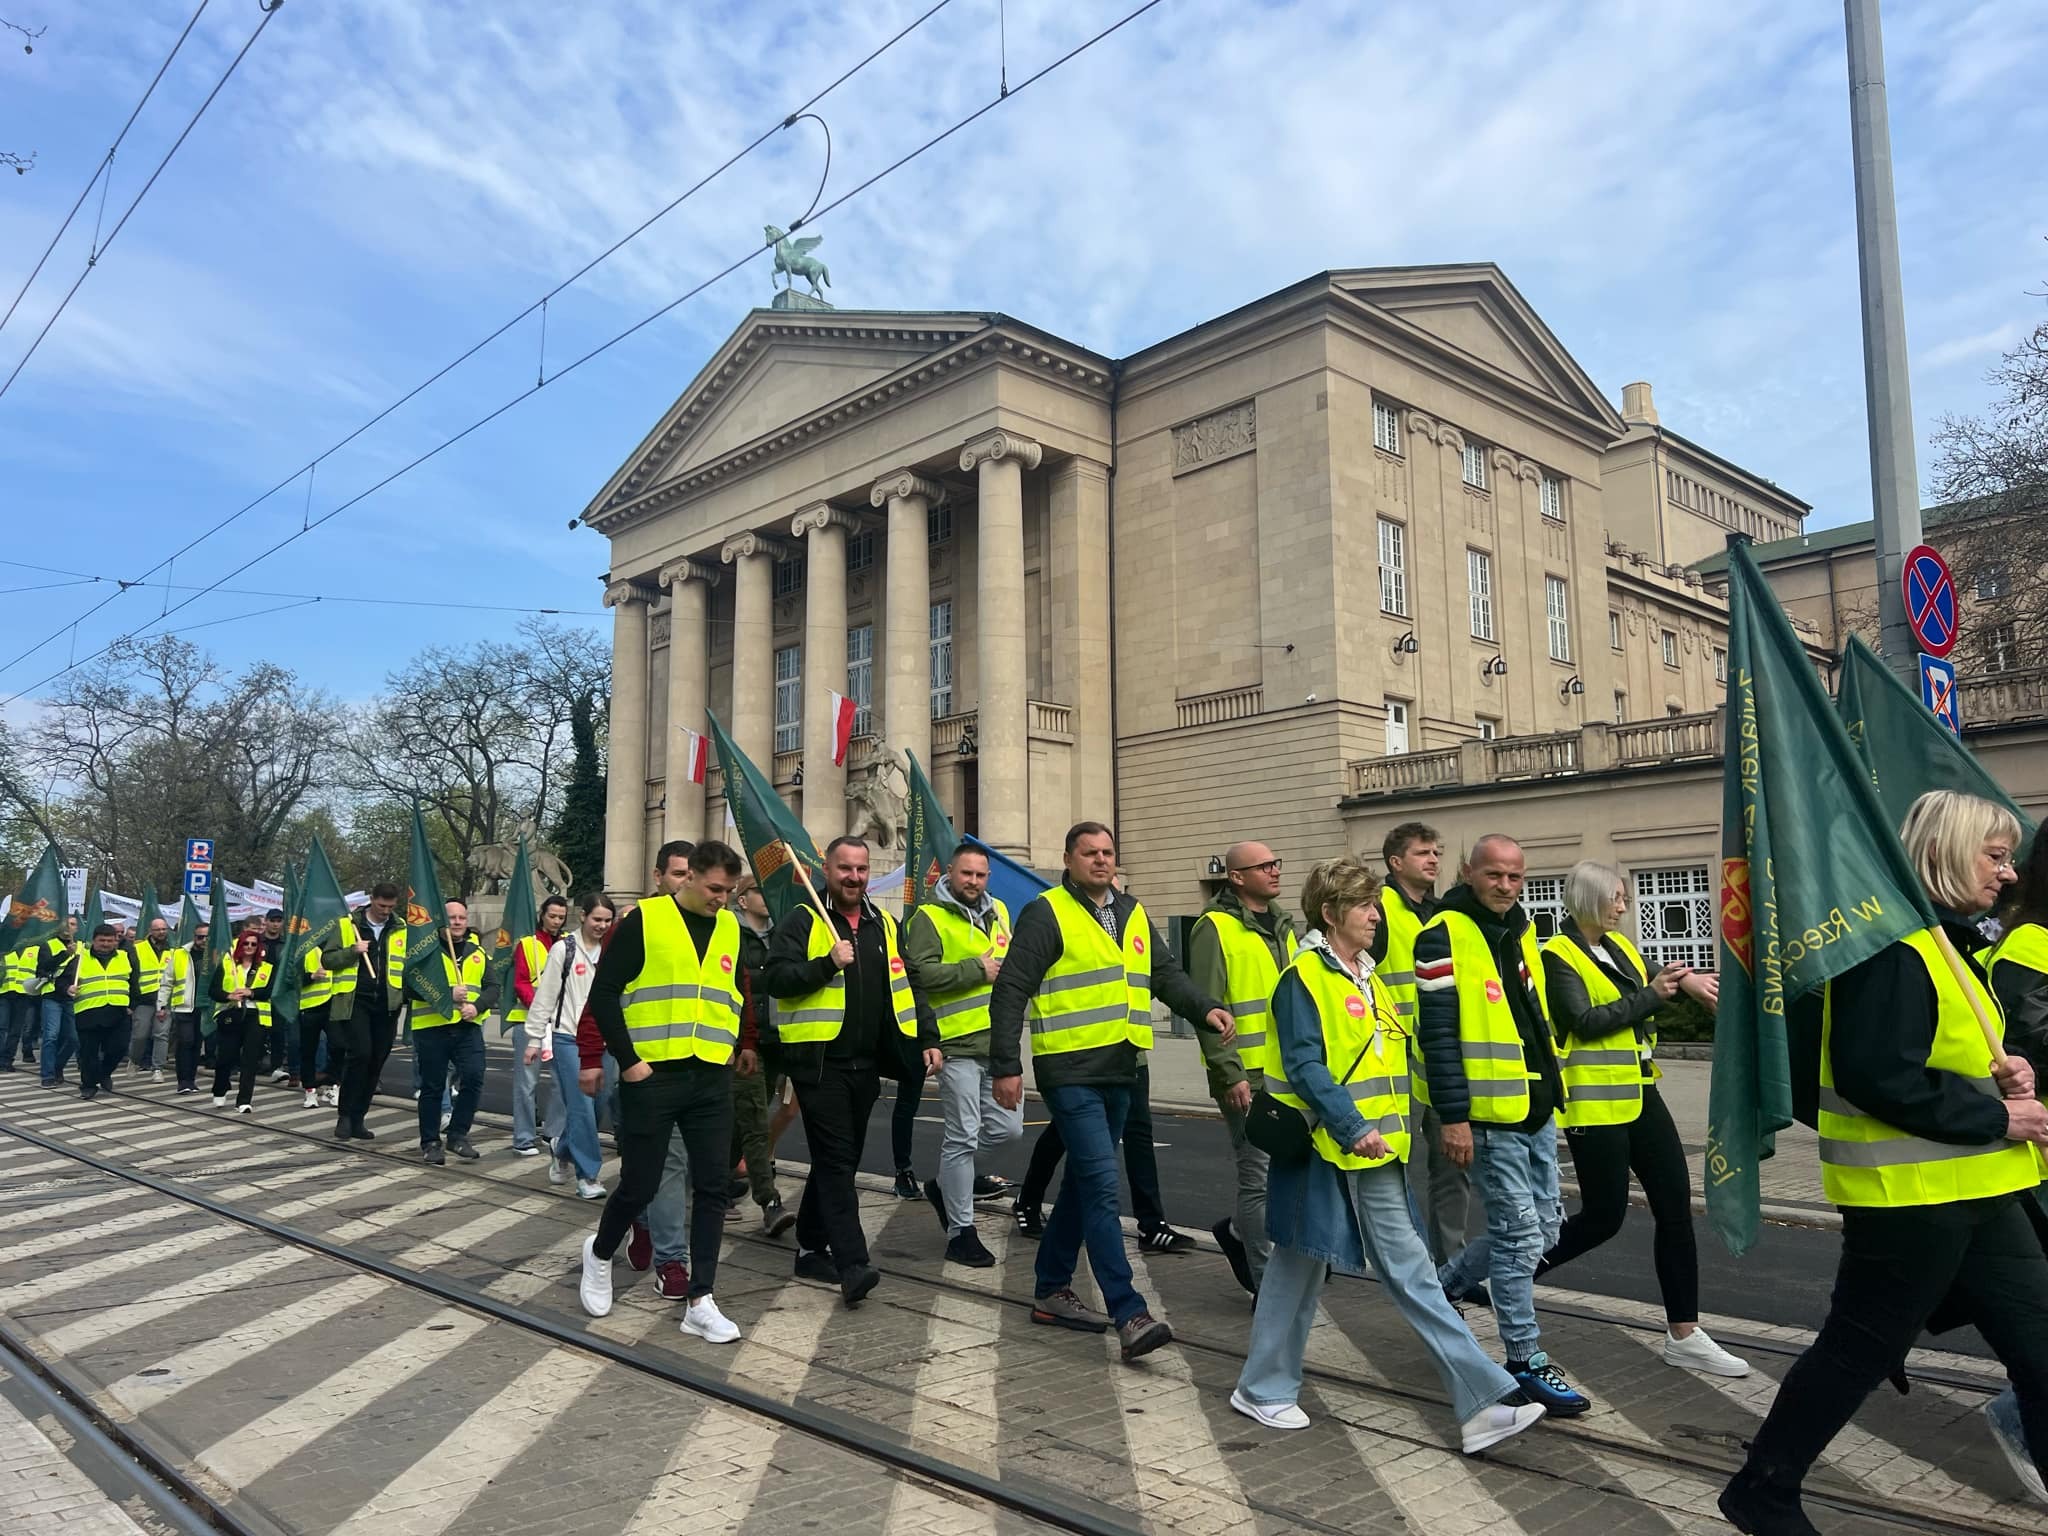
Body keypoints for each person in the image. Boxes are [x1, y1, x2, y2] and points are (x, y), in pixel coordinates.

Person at [1721, 791, 2048, 1535]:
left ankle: (1764, 1489)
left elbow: (1942, 1061)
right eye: (1995, 857)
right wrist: (2003, 1116)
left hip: (1981, 1188)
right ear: (1945, 851)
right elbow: (1879, 1075)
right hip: (1912, 1199)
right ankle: (1762, 1490)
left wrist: (2010, 1073)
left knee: (2041, 1352)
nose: (2008, 874)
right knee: (1856, 1352)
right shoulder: (1894, 948)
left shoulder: (1945, 945)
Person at [1231, 856, 1546, 1452]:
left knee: (1404, 1273)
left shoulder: (1367, 976)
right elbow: (1304, 1065)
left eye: (1375, 903)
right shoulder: (1304, 978)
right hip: (1325, 1148)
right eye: (1364, 905)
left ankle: (1481, 1402)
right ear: (1331, 913)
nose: (1376, 915)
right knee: (1301, 1268)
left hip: (1376, 1153)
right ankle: (1263, 1388)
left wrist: (1446, 1112)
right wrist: (1353, 1126)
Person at [990, 821, 1234, 1362]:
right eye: (1090, 853)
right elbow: (1011, 989)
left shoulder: (1131, 911)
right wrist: (1006, 1066)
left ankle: (1051, 1289)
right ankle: (1129, 1312)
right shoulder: (1047, 912)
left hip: (1123, 1069)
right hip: (1070, 1070)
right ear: (1068, 860)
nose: (1101, 860)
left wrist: (1205, 1008)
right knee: (1101, 1186)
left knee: (1083, 1185)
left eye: (1107, 852)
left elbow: (1166, 975)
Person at [1531, 860, 1748, 1376]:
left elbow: (1658, 972)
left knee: (1675, 1206)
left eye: (1627, 897)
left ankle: (1685, 1333)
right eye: (1617, 897)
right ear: (1590, 898)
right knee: (1603, 1219)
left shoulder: (1621, 947)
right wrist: (1653, 996)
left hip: (1643, 1095)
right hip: (1595, 1105)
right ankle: (1508, 1278)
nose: (1625, 906)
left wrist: (1690, 980)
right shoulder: (1557, 954)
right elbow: (1582, 1021)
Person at [1421, 834, 1590, 1416]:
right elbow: (1439, 1034)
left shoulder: (1520, 929)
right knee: (1518, 1239)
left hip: (1534, 1107)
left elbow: (1532, 1019)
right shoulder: (1442, 933)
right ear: (1469, 872)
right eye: (1494, 874)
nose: (1506, 885)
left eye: (1515, 876)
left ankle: (1439, 1291)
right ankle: (1523, 1358)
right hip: (1488, 1115)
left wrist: (1555, 1091)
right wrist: (1454, 1117)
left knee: (1544, 1232)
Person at [577, 841, 748, 1345]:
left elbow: (734, 993)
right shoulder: (644, 921)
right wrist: (628, 1061)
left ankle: (701, 1299)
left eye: (728, 891)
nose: (721, 898)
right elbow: (604, 993)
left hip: (710, 1075)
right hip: (653, 1075)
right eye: (714, 888)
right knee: (641, 1184)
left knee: (713, 1187)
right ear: (688, 876)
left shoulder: (730, 927)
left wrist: (735, 1045)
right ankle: (600, 1253)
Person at [760, 836, 934, 1306]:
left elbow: (909, 981)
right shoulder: (804, 919)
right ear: (828, 871)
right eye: (845, 869)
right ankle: (853, 1263)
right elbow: (775, 979)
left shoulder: (884, 924)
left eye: (861, 869)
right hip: (819, 1066)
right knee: (838, 1161)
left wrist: (928, 1037)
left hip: (867, 1064)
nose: (854, 877)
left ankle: (810, 1248)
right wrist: (826, 964)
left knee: (839, 1159)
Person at [1187, 839, 1296, 1296]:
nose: (1274, 870)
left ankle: (1239, 1234)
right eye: (1263, 865)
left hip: (1289, 1073)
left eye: (1275, 863)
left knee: (1290, 1174)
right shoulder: (1214, 927)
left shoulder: (1284, 925)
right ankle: (1268, 1287)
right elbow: (1206, 1008)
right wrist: (1227, 1073)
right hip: (1246, 1076)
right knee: (1259, 1178)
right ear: (1236, 877)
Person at [904, 843, 1020, 1267]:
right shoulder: (929, 917)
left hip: (998, 1045)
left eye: (980, 875)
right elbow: (918, 975)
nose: (973, 881)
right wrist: (976, 969)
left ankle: (944, 1185)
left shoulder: (1000, 912)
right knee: (963, 1135)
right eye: (966, 873)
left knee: (1009, 1130)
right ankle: (961, 1233)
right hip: (954, 1045)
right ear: (949, 873)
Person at [1370, 821, 1473, 1266]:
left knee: (1453, 1167)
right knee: (1391, 1170)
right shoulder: (1378, 910)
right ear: (1396, 862)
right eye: (1422, 853)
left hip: (1438, 1059)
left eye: (1436, 852)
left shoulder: (1442, 913)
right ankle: (1403, 1264)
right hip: (1392, 1065)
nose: (1433, 859)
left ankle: (1451, 1267)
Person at [533, 894, 614, 1200]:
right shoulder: (563, 950)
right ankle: (588, 1175)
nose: (602, 926)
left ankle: (562, 1146)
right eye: (597, 919)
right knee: (582, 1107)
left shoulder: (613, 950)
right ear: (583, 916)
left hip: (605, 1041)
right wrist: (534, 1038)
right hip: (568, 1039)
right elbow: (545, 997)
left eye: (607, 921)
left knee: (599, 1105)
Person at [729, 874, 796, 1238]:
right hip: (744, 1045)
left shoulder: (780, 936)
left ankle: (718, 1179)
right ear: (742, 900)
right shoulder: (730, 933)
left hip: (775, 1041)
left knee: (742, 1120)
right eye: (759, 891)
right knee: (755, 1121)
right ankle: (770, 1202)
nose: (767, 897)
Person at [408, 899, 496, 1165]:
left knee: (474, 1077)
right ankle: (431, 1142)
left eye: (461, 918)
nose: (457, 922)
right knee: (433, 1087)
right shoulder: (426, 951)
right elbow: (408, 987)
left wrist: (477, 1006)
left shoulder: (477, 951)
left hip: (467, 1027)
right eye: (452, 918)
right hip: (431, 1028)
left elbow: (493, 987)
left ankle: (458, 1135)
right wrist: (447, 994)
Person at [509, 895, 570, 1156]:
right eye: (552, 916)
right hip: (529, 1020)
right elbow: (521, 982)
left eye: (561, 917)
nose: (556, 921)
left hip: (560, 1023)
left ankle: (553, 1133)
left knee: (562, 1081)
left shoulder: (570, 943)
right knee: (526, 1083)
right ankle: (523, 1138)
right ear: (542, 915)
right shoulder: (527, 944)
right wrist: (540, 1007)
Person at [345, 884, 404, 1135]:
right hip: (358, 999)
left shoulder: (401, 928)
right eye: (381, 905)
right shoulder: (350, 924)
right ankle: (345, 1115)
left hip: (388, 1004)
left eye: (391, 907)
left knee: (376, 1061)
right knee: (360, 1055)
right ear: (372, 900)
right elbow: (328, 958)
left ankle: (359, 1117)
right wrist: (352, 951)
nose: (386, 911)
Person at [296, 907, 359, 1113]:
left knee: (339, 1046)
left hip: (335, 1002)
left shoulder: (340, 944)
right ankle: (310, 1090)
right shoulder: (305, 946)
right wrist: (311, 976)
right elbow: (291, 978)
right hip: (311, 1006)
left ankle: (334, 1085)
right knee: (308, 1050)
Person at [71, 922, 139, 1100]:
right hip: (88, 1011)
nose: (106, 944)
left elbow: (134, 981)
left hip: (118, 1011)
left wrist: (132, 1005)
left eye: (110, 940)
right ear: (94, 940)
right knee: (89, 1053)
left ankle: (103, 1073)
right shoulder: (80, 958)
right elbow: (63, 980)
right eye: (102, 940)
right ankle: (88, 1085)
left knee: (119, 1048)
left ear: (116, 941)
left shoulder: (125, 956)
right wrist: (67, 988)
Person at [210, 928, 273, 1113]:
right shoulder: (227, 964)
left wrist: (251, 992)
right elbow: (213, 990)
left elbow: (270, 991)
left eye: (253, 944)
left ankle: (244, 1100)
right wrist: (229, 995)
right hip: (231, 1013)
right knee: (226, 1056)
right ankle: (220, 1089)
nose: (249, 947)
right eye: (246, 943)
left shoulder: (267, 967)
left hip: (256, 1015)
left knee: (250, 1059)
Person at [157, 921, 207, 1094]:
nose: (204, 940)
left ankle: (191, 1080)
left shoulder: (217, 954)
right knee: (186, 1041)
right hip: (183, 1007)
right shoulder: (180, 954)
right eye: (200, 937)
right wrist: (161, 1005)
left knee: (196, 1044)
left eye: (207, 937)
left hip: (205, 1007)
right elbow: (167, 982)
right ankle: (183, 1081)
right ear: (194, 937)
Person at [34, 914, 81, 1089]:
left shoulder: (82, 947)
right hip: (52, 996)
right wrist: (65, 954)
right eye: (67, 923)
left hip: (72, 997)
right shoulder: (48, 945)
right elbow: (43, 968)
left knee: (74, 1038)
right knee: (51, 1036)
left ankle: (57, 1066)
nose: (70, 927)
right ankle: (47, 1075)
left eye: (73, 924)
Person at [128, 915, 173, 1080]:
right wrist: (131, 1001)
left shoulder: (173, 949)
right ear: (150, 931)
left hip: (164, 1000)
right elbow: (131, 975)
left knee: (161, 1034)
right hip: (144, 999)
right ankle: (134, 1060)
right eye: (157, 929)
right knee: (140, 1035)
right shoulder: (138, 948)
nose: (161, 932)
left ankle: (157, 1069)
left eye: (164, 929)